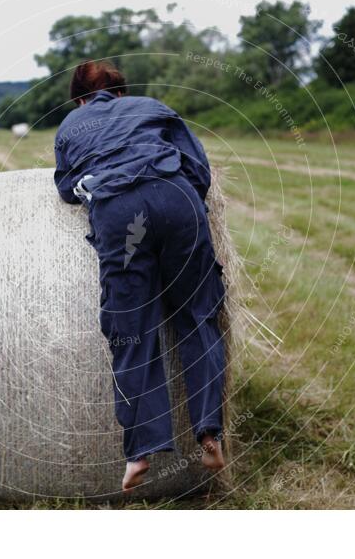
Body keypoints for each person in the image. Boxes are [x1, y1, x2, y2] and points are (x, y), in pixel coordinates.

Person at [53, 60, 227, 493]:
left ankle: (140, 452)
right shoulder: (153, 106)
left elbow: (65, 187)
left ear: (78, 97)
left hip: (118, 209)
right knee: (198, 314)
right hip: (175, 197)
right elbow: (198, 170)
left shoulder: (71, 124)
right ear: (122, 92)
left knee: (131, 328)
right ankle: (209, 433)